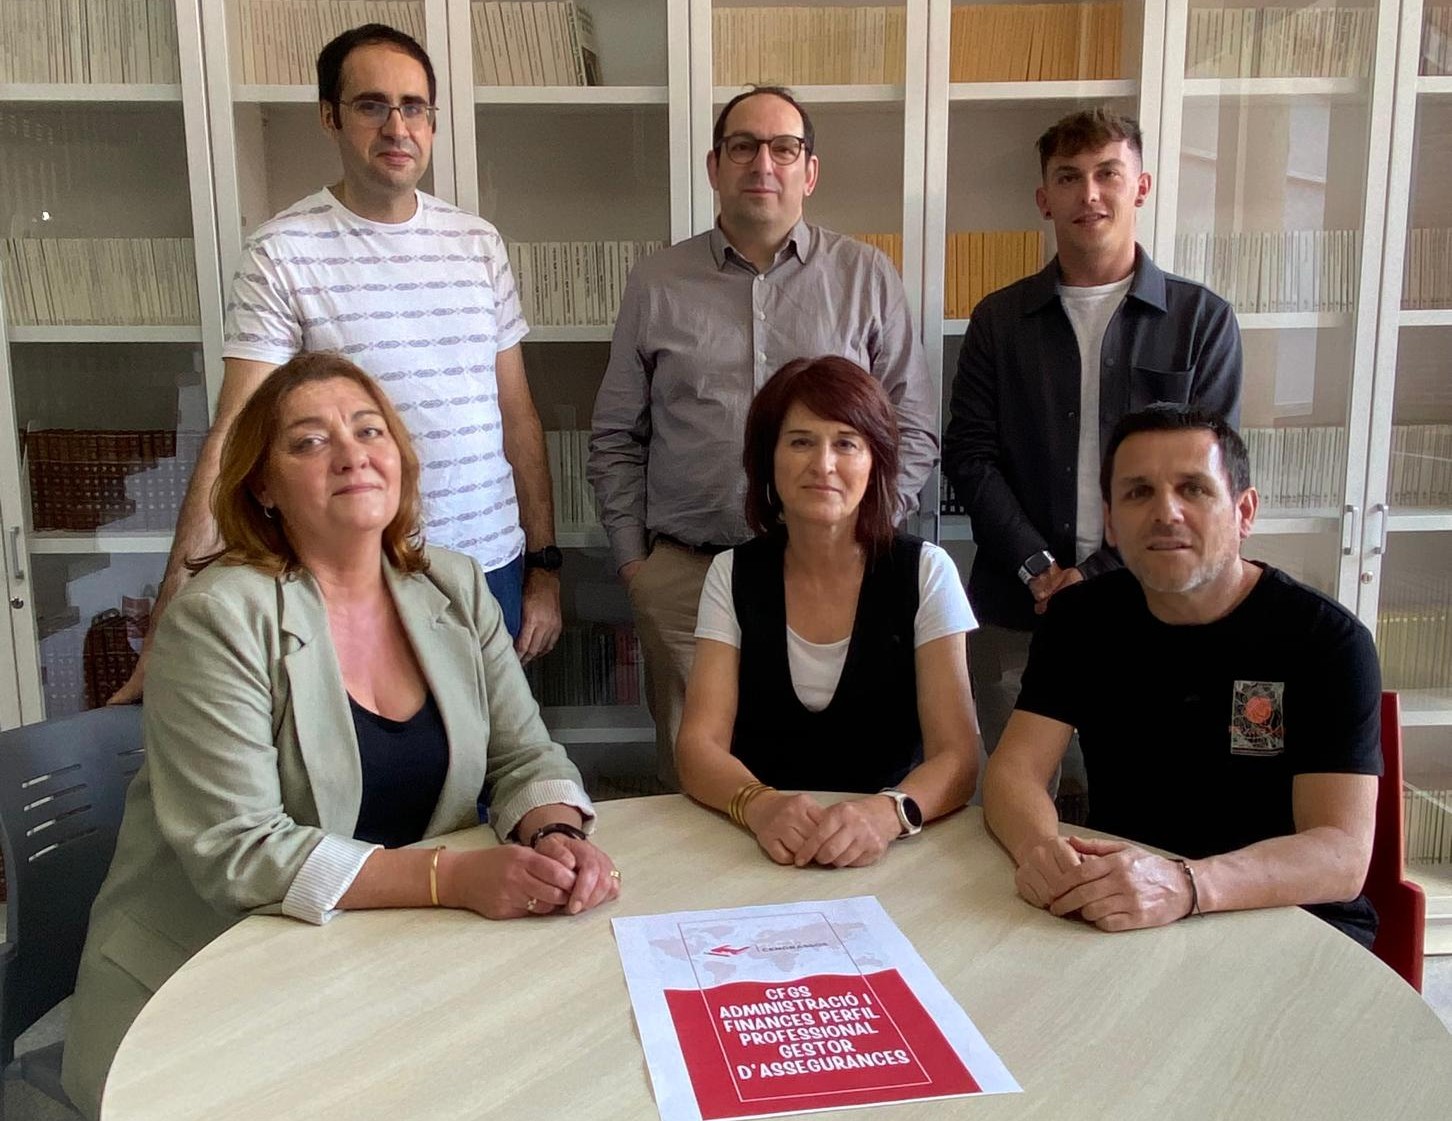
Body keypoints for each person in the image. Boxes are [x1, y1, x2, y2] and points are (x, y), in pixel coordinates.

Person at [61, 355, 619, 1120]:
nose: (352, 453)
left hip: (378, 961)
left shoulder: (453, 585)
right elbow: (241, 848)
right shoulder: (220, 616)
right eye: (309, 441)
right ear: (263, 485)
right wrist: (449, 878)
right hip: (207, 987)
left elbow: (524, 752)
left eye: (368, 430)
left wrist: (554, 833)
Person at [110, 22, 562, 704]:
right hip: (357, 572)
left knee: (497, 757)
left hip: (488, 564)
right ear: (330, 116)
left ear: (433, 122)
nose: (397, 127)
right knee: (367, 763)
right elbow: (235, 432)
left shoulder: (478, 244)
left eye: (414, 107)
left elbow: (517, 415)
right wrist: (172, 612)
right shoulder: (282, 251)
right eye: (372, 105)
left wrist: (544, 566)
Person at [589, 86, 938, 788]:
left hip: (837, 575)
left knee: (831, 773)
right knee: (698, 784)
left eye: (784, 148)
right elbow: (617, 434)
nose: (763, 163)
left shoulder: (865, 276)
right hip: (689, 576)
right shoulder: (657, 281)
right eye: (743, 146)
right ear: (714, 165)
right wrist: (636, 565)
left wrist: (865, 529)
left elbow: (913, 427)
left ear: (810, 170)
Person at [982, 404, 1380, 946]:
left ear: (1244, 512)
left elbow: (1340, 853)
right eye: (1138, 493)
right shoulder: (1080, 619)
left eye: (1193, 489)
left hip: (1291, 922)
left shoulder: (1327, 640)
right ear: (1111, 522)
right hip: (1126, 911)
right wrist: (1040, 850)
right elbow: (1014, 772)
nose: (1165, 512)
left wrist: (1187, 884)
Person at [942, 108, 1243, 786]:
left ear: (1142, 186)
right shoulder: (998, 320)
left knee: (1146, 793)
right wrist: (1041, 569)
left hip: (1156, 602)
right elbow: (969, 454)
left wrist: (1097, 574)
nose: (1090, 194)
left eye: (1108, 173)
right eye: (1069, 178)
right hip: (1017, 605)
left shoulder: (1202, 321)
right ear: (1044, 198)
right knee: (1012, 796)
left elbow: (1209, 477)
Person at [676, 357, 977, 868]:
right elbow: (698, 745)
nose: (823, 464)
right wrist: (760, 805)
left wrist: (887, 814)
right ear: (768, 458)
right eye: (800, 442)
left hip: (892, 851)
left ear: (876, 460)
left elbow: (959, 757)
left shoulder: (926, 571)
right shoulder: (732, 573)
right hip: (758, 847)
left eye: (846, 443)